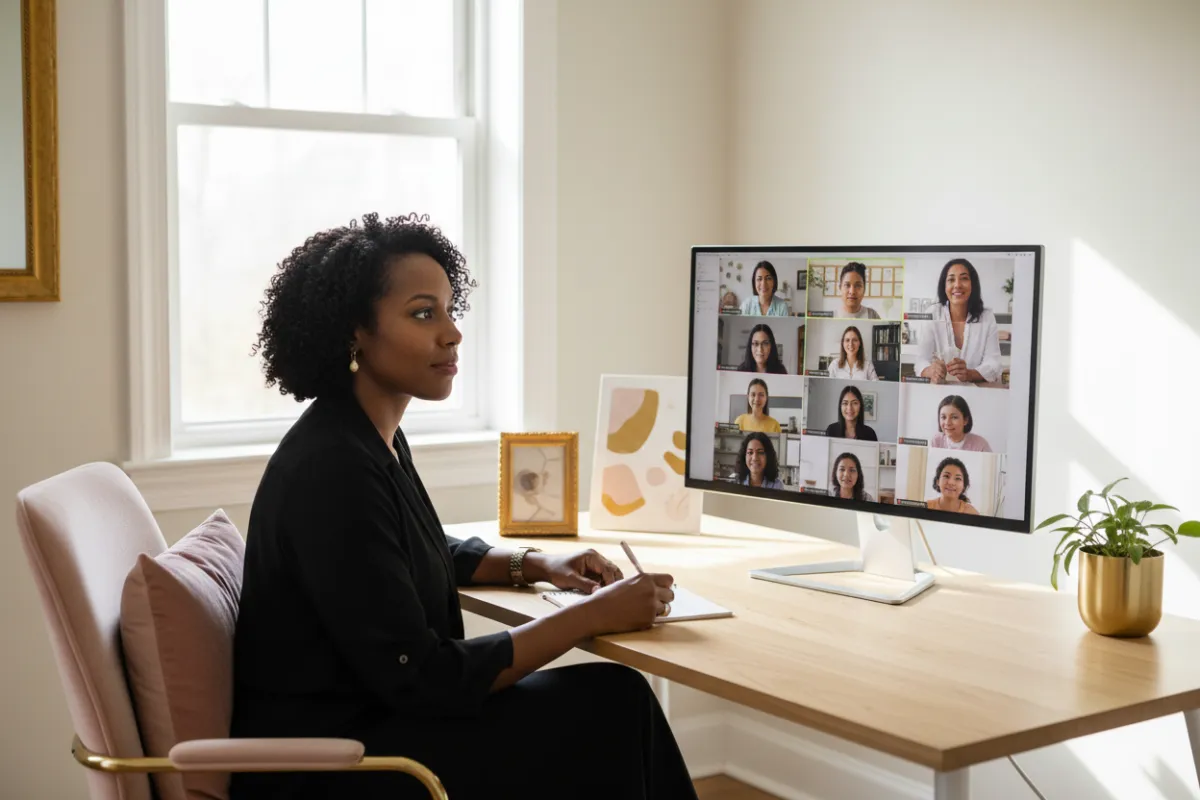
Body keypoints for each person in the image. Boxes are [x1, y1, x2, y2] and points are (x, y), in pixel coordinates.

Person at [231, 213, 695, 800]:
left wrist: (534, 564)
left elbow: (408, 552)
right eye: (424, 314)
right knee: (615, 707)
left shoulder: (368, 437)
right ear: (355, 332)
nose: (451, 333)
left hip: (379, 730)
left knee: (612, 706)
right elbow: (429, 679)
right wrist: (592, 614)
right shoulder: (333, 468)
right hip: (343, 768)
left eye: (450, 311)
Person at [914, 258, 1003, 385]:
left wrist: (970, 374)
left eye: (964, 278)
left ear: (973, 285)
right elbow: (921, 361)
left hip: (975, 393)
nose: (957, 285)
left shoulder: (986, 317)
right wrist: (931, 371)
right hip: (939, 392)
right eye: (951, 279)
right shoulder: (932, 314)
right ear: (944, 286)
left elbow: (994, 363)